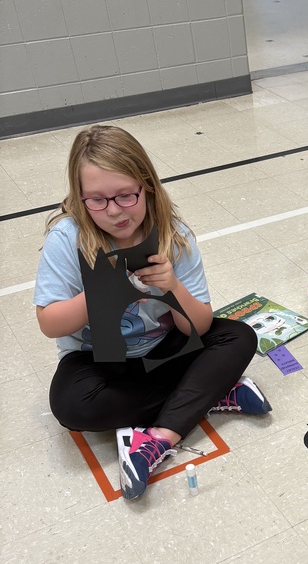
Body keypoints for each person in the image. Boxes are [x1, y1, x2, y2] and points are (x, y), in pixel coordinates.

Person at [34, 125, 270, 501]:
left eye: (126, 196)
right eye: (96, 200)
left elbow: (200, 325)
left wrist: (173, 286)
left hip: (163, 349)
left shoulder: (173, 235)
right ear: (80, 200)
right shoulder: (68, 238)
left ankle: (158, 438)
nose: (113, 211)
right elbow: (49, 323)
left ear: (147, 185)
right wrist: (97, 292)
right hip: (98, 359)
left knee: (239, 337)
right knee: (72, 407)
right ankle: (207, 394)